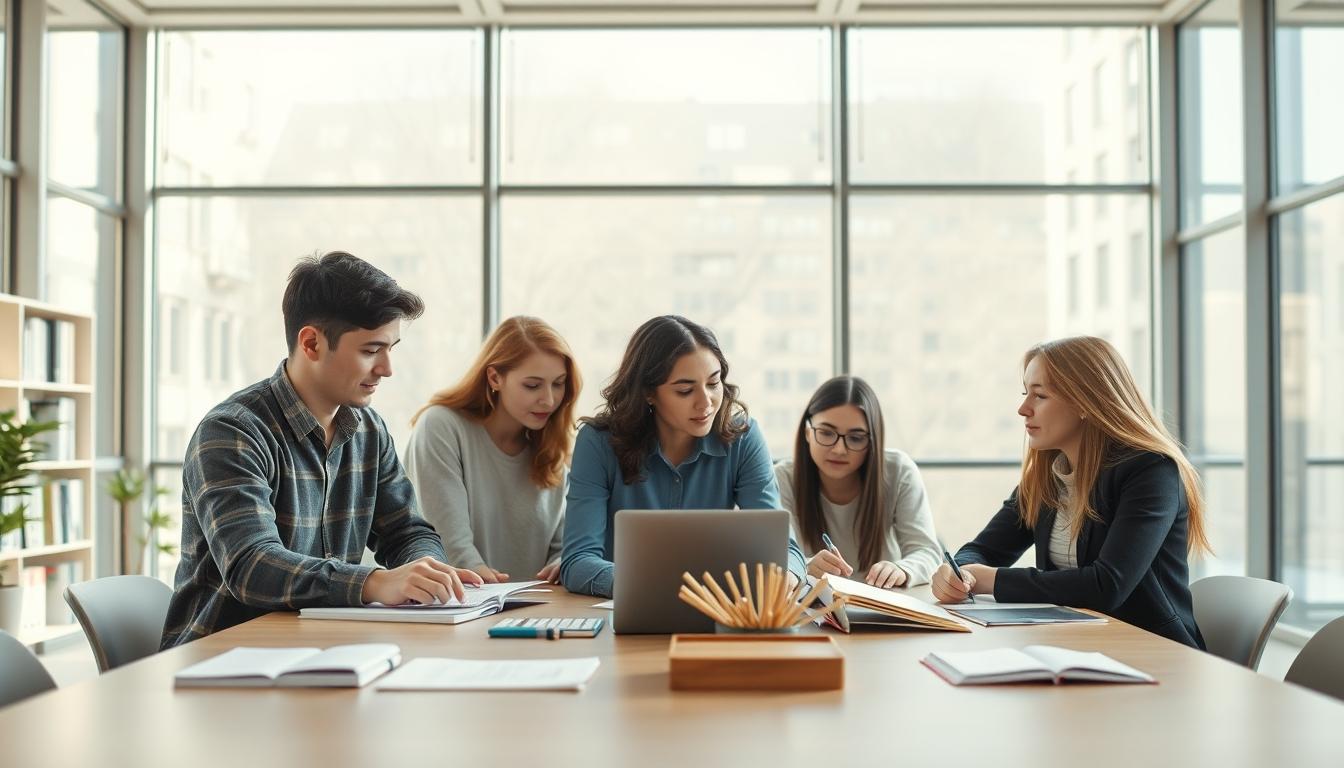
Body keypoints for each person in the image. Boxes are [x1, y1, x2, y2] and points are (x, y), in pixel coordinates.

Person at [161, 251, 481, 649]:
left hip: (322, 652)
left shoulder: (369, 430)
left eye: (390, 349)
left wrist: (424, 570)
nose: (386, 368)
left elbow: (405, 531)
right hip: (222, 663)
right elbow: (253, 566)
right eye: (370, 350)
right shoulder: (232, 432)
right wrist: (377, 582)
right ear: (311, 343)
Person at [931, 336, 1210, 648]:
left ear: (1084, 403)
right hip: (1075, 646)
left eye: (1040, 396)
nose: (1023, 409)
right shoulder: (1048, 476)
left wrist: (987, 579)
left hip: (1154, 652)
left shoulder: (1151, 472)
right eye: (1026, 394)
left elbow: (1107, 585)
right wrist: (956, 573)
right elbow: (982, 550)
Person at [560, 315, 805, 598]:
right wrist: (651, 586)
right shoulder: (598, 443)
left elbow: (785, 550)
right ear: (649, 393)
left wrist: (787, 576)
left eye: (713, 383)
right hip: (628, 610)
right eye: (685, 390)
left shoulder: (743, 438)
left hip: (718, 614)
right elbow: (578, 561)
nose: (706, 402)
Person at [404, 316, 582, 585]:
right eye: (532, 385)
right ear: (495, 377)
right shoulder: (442, 427)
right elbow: (450, 546)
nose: (549, 399)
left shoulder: (551, 450)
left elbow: (562, 546)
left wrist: (565, 562)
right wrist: (479, 577)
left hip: (536, 608)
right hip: (460, 605)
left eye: (558, 383)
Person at [776, 375, 941, 589]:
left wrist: (902, 569)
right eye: (826, 433)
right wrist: (804, 566)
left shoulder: (899, 470)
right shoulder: (782, 478)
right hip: (814, 610)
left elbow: (927, 552)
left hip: (886, 607)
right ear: (808, 432)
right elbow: (770, 558)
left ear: (872, 441)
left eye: (855, 438)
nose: (839, 449)